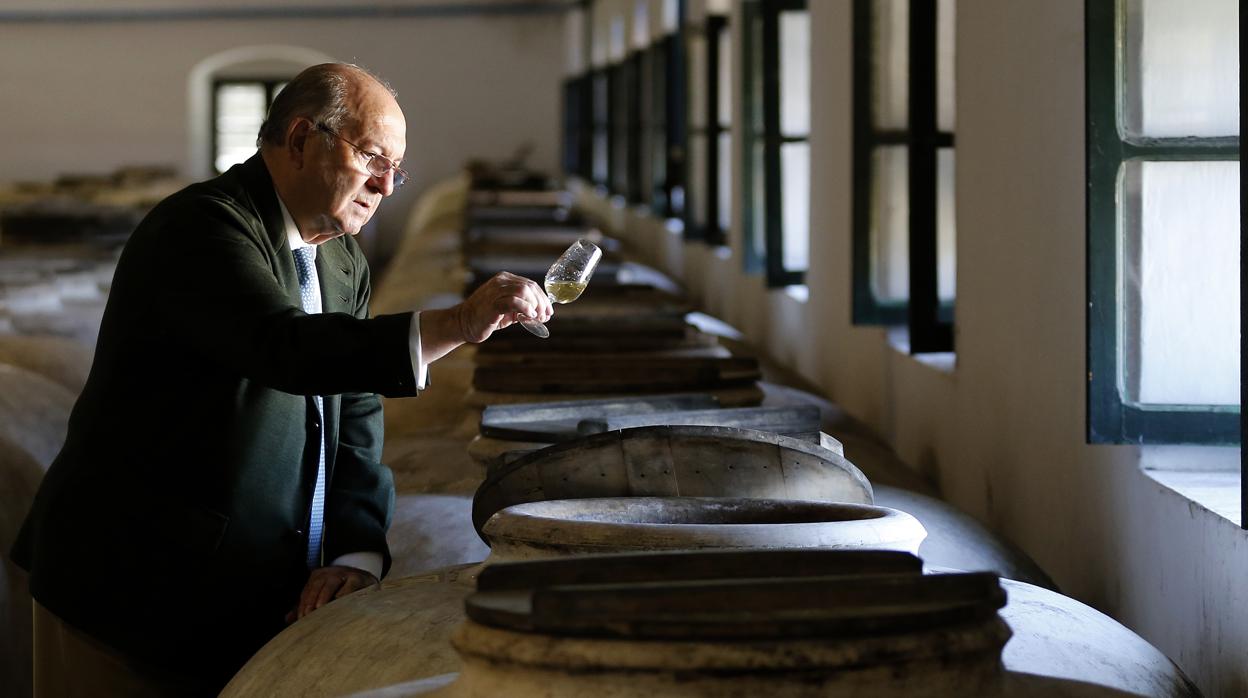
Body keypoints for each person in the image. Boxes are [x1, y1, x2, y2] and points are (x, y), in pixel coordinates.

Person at [10, 63, 552, 694]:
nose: (385, 184)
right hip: (129, 587)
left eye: (396, 171)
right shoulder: (201, 227)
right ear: (300, 140)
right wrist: (458, 322)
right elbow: (285, 348)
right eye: (374, 156)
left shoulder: (341, 258)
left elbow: (354, 410)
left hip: (243, 589)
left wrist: (354, 551)